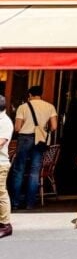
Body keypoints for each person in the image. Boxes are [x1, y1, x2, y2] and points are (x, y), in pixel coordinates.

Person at [10, 85, 57, 210]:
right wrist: (43, 128)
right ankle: (30, 203)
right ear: (40, 94)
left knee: (19, 170)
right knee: (35, 172)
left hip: (25, 138)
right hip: (40, 139)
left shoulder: (23, 107)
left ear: (30, 95)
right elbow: (54, 126)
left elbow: (17, 128)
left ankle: (15, 203)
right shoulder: (50, 106)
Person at [0, 95, 13, 239]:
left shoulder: (5, 122)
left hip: (1, 163)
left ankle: (5, 224)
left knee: (1, 193)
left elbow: (1, 141)